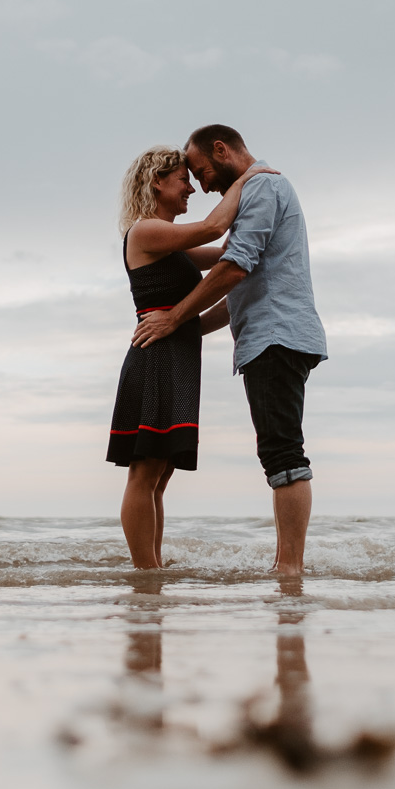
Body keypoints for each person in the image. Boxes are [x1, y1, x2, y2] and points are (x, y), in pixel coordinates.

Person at [132, 125, 328, 576]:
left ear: (221, 151)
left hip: (276, 337)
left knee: (283, 453)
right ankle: (286, 565)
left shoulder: (261, 186)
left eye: (201, 171)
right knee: (278, 451)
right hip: (274, 335)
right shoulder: (257, 189)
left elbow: (233, 267)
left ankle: (289, 569)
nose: (201, 185)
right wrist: (185, 329)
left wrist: (174, 318)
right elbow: (237, 285)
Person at [108, 146, 277, 569]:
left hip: (178, 355)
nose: (191, 189)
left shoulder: (173, 246)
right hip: (155, 357)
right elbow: (214, 227)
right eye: (184, 180)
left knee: (160, 478)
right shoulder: (145, 231)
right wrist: (248, 177)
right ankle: (145, 572)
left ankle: (154, 568)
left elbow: (228, 256)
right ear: (157, 183)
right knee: (144, 473)